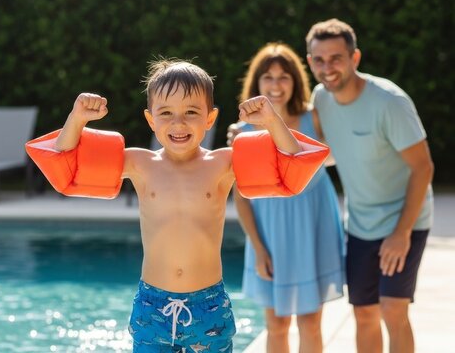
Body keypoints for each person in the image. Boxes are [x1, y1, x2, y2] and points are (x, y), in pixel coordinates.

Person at [25, 59, 329, 352]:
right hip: (152, 305)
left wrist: (271, 121)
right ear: (150, 119)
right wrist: (77, 118)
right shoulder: (139, 163)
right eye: (166, 113)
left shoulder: (224, 162)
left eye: (191, 112)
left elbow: (293, 162)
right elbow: (66, 162)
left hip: (208, 305)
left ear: (210, 119)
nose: (178, 123)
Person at [305, 19, 434, 353]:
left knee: (393, 309)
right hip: (361, 224)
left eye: (336, 58)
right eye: (319, 60)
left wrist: (401, 233)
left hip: (405, 220)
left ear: (355, 58)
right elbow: (320, 151)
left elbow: (423, 167)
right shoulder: (321, 99)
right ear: (309, 62)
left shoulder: (390, 102)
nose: (327, 68)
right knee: (363, 313)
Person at [227, 42, 345, 352]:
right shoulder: (241, 132)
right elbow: (241, 197)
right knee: (276, 325)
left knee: (310, 322)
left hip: (314, 227)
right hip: (269, 233)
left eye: (284, 77)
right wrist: (257, 246)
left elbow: (338, 155)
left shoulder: (315, 118)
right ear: (257, 82)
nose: (276, 85)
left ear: (295, 81)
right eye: (268, 77)